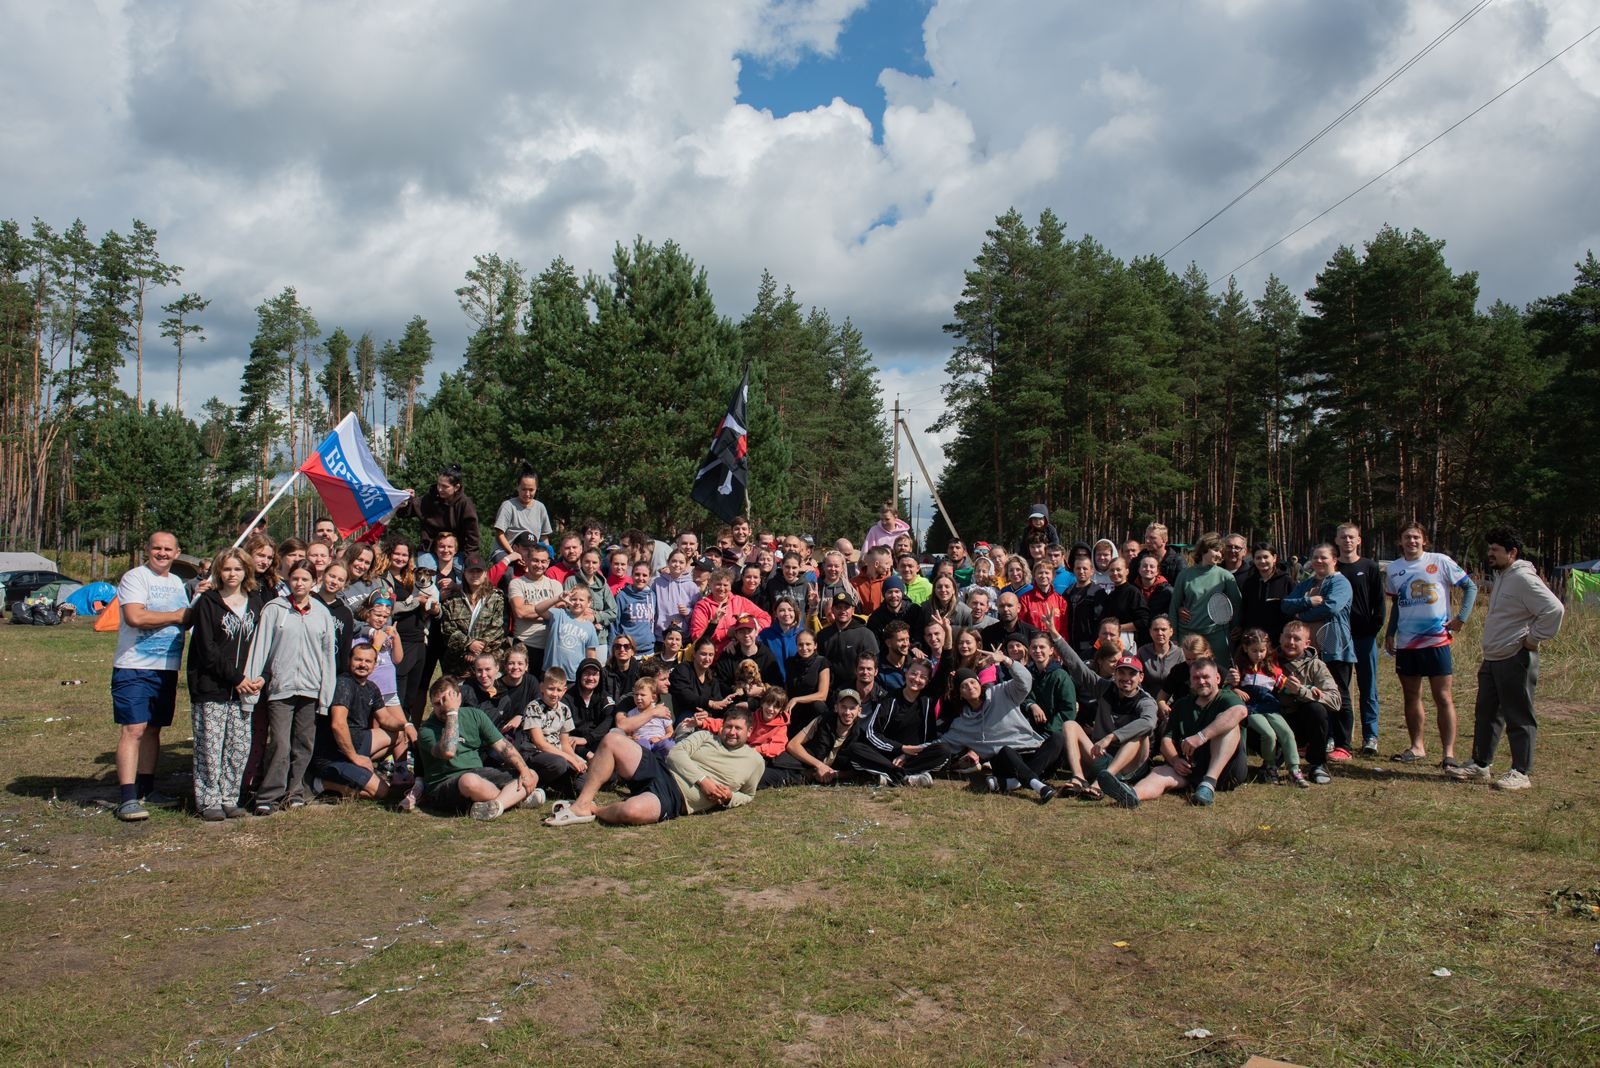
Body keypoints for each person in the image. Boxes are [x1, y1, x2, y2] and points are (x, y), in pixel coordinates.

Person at [1449, 527, 1565, 791]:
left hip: (1516, 657)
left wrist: (1533, 639)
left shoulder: (1523, 578)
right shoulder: (1502, 575)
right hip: (1493, 657)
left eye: (1495, 550)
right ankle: (1480, 765)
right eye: (1489, 549)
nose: (1490, 554)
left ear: (1512, 553)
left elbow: (1554, 609)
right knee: (1486, 713)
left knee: (1519, 715)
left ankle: (1520, 772)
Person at [544, 705, 765, 826]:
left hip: (676, 797)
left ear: (749, 732)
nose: (731, 732)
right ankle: (582, 803)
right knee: (613, 739)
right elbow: (675, 755)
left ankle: (595, 810)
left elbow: (749, 795)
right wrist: (703, 781)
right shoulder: (706, 737)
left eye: (738, 728)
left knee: (632, 811)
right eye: (728, 727)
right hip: (661, 768)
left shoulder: (755, 762)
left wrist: (729, 799)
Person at [240, 562, 339, 814]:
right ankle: (269, 794)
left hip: (310, 688)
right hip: (281, 687)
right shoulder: (275, 609)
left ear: (313, 582)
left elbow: (328, 657)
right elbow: (260, 647)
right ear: (289, 580)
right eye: (295, 578)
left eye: (305, 579)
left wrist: (325, 695)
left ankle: (295, 791)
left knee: (303, 743)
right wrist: (251, 688)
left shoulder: (321, 613)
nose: (299, 584)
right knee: (280, 744)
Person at [1384, 523, 1478, 767]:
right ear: (1400, 541)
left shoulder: (1440, 561)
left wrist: (1462, 618)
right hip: (1406, 643)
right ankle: (1417, 747)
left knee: (1442, 696)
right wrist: (1390, 632)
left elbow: (1470, 587)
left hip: (1437, 641)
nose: (1411, 541)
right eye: (1407, 537)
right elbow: (1397, 603)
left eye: (1416, 537)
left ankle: (1448, 754)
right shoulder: (1394, 569)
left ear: (1424, 541)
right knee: (1411, 696)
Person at [1097, 658, 1245, 808]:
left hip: (1226, 773)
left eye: (1205, 677)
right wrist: (1175, 760)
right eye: (1196, 678)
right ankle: (1132, 795)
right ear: (1190, 681)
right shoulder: (1182, 705)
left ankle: (1208, 783)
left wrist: (1201, 736)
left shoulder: (1226, 697)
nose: (1201, 681)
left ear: (1218, 678)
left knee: (1230, 726)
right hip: (1191, 771)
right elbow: (1166, 741)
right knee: (1159, 772)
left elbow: (1240, 711)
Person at [186, 546, 263, 821]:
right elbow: (207, 649)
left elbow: (262, 642)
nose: (233, 574)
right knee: (210, 746)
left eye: (238, 569)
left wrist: (257, 676)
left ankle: (230, 796)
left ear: (246, 571)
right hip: (212, 686)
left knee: (238, 746)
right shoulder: (208, 602)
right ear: (219, 571)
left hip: (245, 689)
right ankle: (208, 800)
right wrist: (236, 678)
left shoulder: (255, 601)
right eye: (227, 569)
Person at [411, 676, 542, 818]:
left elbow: (503, 746)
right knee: (469, 781)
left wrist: (523, 771)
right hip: (445, 784)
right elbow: (448, 751)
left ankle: (497, 805)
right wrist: (452, 713)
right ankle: (514, 799)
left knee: (531, 773)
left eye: (448, 700)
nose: (444, 706)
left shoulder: (475, 715)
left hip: (479, 773)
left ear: (459, 698)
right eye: (438, 703)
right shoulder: (426, 730)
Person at [310, 644, 416, 803]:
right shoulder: (344, 684)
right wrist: (355, 757)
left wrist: (406, 725)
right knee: (383, 793)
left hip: (359, 742)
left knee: (398, 734)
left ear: (374, 664)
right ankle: (323, 784)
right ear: (349, 661)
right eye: (358, 659)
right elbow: (338, 725)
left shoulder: (371, 687)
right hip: (335, 755)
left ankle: (388, 774)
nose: (363, 664)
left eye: (368, 661)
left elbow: (385, 719)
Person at [1282, 543, 1356, 761]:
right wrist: (1307, 601)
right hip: (1309, 652)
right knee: (1308, 694)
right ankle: (1317, 740)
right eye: (1315, 557)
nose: (1319, 562)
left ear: (1334, 560)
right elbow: (1286, 605)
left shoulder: (1341, 583)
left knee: (1338, 694)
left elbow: (1331, 607)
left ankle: (1343, 745)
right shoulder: (1307, 584)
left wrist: (1301, 616)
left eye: (1324, 557)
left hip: (1335, 648)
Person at [1059, 652, 1156, 800]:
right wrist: (1056, 637)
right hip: (1102, 755)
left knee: (1140, 733)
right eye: (1121, 673)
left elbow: (1149, 722)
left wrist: (1111, 737)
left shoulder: (1145, 701)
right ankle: (1078, 778)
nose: (1126, 678)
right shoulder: (1104, 688)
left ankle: (1101, 783)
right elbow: (1079, 668)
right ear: (1114, 675)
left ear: (1141, 678)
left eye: (1132, 674)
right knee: (1069, 725)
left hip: (1130, 765)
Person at [844, 658, 948, 786]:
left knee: (944, 751)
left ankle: (891, 776)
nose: (916, 679)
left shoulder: (928, 699)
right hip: (887, 757)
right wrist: (901, 749)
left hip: (915, 757)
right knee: (855, 749)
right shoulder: (889, 700)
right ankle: (907, 777)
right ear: (905, 673)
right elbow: (872, 733)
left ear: (927, 682)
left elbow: (946, 666)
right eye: (913, 673)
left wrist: (907, 755)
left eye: (923, 677)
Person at [1335, 523, 1386, 756]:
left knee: (1368, 687)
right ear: (1336, 540)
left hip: (1364, 637)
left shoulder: (1370, 567)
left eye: (1351, 537)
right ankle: (1337, 736)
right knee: (1339, 688)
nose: (1347, 541)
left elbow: (1379, 602)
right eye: (1343, 537)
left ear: (1359, 540)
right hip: (1339, 638)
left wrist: (1373, 628)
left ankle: (1370, 736)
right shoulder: (1332, 567)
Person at [1228, 628, 1301, 786]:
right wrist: (1235, 688)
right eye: (1254, 651)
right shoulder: (1239, 668)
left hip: (1270, 706)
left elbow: (1286, 685)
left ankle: (1294, 769)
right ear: (1246, 648)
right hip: (1251, 708)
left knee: (1287, 732)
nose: (1258, 654)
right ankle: (1270, 766)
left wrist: (1305, 688)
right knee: (1268, 734)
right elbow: (1226, 688)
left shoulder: (1271, 669)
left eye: (1262, 650)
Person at [1276, 621, 1339, 786]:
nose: (1290, 642)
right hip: (1277, 720)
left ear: (1307, 644)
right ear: (1280, 637)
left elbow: (1335, 700)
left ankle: (1317, 764)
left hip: (1304, 723)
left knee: (1316, 710)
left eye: (1296, 639)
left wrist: (1302, 691)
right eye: (1287, 637)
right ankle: (1271, 761)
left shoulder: (1316, 665)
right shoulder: (1267, 660)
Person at [763, 689, 868, 788]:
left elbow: (856, 770)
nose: (847, 712)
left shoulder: (861, 734)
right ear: (836, 707)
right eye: (844, 707)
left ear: (859, 710)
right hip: (796, 767)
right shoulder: (823, 720)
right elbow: (793, 745)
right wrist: (819, 766)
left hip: (807, 778)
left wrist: (833, 774)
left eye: (852, 708)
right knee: (759, 775)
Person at [1168, 532, 1242, 668]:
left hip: (1217, 635)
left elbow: (1237, 606)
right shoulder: (1185, 575)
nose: (1219, 555)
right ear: (1204, 549)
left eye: (1221, 552)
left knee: (1219, 675)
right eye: (1215, 550)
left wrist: (1236, 629)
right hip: (1188, 634)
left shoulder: (1226, 576)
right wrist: (1174, 638)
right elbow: (1174, 607)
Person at [439, 555, 509, 679]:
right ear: (464, 573)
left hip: (489, 664)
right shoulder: (452, 599)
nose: (475, 575)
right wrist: (468, 644)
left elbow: (499, 629)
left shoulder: (497, 597)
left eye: (479, 571)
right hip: (457, 666)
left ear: (485, 573)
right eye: (471, 571)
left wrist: (478, 650)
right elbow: (447, 629)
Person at [398, 464, 481, 557]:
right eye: (438, 484)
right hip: (429, 549)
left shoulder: (465, 504)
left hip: (457, 551)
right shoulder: (429, 499)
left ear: (456, 487)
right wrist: (406, 500)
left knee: (462, 570)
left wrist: (470, 557)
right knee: (424, 571)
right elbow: (404, 513)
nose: (440, 489)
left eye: (445, 486)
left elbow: (473, 535)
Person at [816, 593, 879, 697]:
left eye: (846, 607)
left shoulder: (865, 634)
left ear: (853, 610)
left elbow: (873, 665)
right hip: (829, 692)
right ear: (832, 610)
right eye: (838, 607)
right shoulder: (823, 635)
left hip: (857, 693)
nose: (842, 611)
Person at [492, 465, 553, 561]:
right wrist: (513, 555)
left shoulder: (540, 508)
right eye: (524, 489)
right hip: (506, 551)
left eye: (531, 490)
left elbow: (544, 537)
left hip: (532, 553)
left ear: (536, 488)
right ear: (518, 487)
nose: (527, 494)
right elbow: (500, 534)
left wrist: (548, 555)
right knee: (509, 572)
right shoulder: (508, 506)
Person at [1239, 541, 1292, 645]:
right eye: (1258, 558)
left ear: (1274, 558)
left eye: (1266, 557)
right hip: (1254, 642)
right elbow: (1244, 611)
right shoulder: (1249, 583)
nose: (1262, 561)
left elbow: (1292, 612)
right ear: (1253, 560)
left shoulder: (1286, 581)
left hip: (1279, 642)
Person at [783, 628, 831, 735]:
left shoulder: (822, 662)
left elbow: (822, 695)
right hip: (794, 711)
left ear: (815, 645)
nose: (804, 648)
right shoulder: (790, 663)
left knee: (819, 706)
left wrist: (796, 699)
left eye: (808, 644)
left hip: (813, 709)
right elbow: (787, 689)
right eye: (800, 644)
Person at [615, 677, 677, 752]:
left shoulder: (662, 711)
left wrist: (660, 739)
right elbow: (629, 734)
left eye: (642, 695)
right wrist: (632, 738)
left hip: (659, 741)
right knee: (643, 744)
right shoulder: (631, 713)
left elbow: (670, 732)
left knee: (669, 744)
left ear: (653, 698)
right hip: (642, 742)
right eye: (636, 694)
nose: (638, 698)